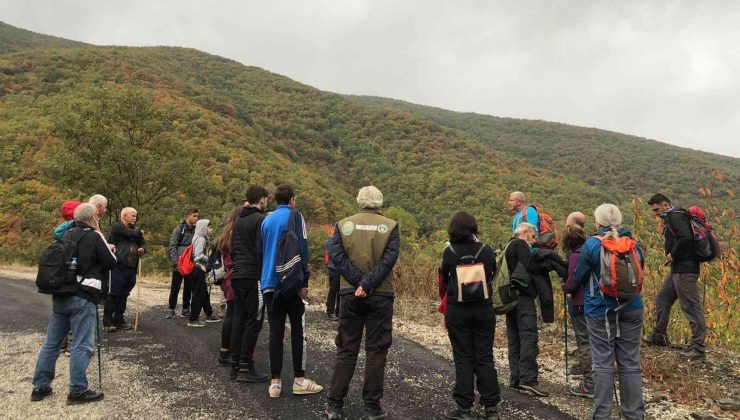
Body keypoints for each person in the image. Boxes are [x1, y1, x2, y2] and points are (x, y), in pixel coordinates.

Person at [325, 186, 400, 420]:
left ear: (359, 201)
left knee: (347, 348)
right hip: (381, 295)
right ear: (379, 202)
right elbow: (389, 260)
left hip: (349, 294)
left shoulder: (342, 225)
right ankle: (372, 408)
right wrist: (367, 284)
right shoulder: (391, 226)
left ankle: (334, 405)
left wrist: (359, 282)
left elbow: (336, 256)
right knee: (376, 350)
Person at [31, 203, 117, 404]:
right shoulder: (94, 236)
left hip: (60, 294)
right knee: (82, 344)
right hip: (83, 295)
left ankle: (40, 387)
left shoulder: (65, 234)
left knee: (52, 343)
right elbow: (111, 262)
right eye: (97, 216)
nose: (98, 219)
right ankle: (77, 391)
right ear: (91, 217)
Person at [574, 204, 645, 420]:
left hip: (600, 310)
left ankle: (602, 414)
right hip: (632, 308)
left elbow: (579, 276)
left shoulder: (592, 245)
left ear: (598, 223)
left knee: (603, 362)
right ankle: (634, 414)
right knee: (630, 362)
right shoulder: (633, 245)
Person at [260, 184, 322, 398]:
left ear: (276, 201)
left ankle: (275, 383)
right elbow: (302, 249)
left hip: (269, 282)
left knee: (275, 333)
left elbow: (262, 250)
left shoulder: (266, 220)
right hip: (292, 283)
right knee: (298, 331)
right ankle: (299, 380)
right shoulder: (296, 217)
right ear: (292, 200)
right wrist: (304, 282)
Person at [440, 212, 501, 420]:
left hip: (458, 310)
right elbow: (492, 274)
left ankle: (464, 408)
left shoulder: (449, 252)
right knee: (484, 356)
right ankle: (491, 408)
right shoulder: (486, 251)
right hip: (483, 309)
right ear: (474, 227)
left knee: (463, 357)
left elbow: (443, 280)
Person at [645, 193, 706, 360]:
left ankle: (698, 347)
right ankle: (659, 336)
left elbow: (685, 236)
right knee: (662, 299)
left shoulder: (675, 216)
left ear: (665, 205)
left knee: (691, 307)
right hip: (677, 270)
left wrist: (673, 253)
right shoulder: (672, 216)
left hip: (685, 269)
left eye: (656, 209)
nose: (655, 213)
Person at [504, 223, 551, 397]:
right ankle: (529, 380)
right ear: (524, 234)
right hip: (523, 298)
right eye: (532, 236)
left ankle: (516, 377)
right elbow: (531, 265)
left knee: (514, 338)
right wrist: (548, 264)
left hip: (510, 298)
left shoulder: (509, 245)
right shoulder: (520, 244)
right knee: (529, 336)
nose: (534, 240)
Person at [230, 186, 270, 383]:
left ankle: (235, 363)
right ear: (262, 199)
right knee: (254, 320)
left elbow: (232, 248)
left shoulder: (238, 220)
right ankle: (246, 367)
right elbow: (261, 250)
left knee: (239, 318)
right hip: (253, 275)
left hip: (237, 275)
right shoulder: (260, 220)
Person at [561, 213, 593, 398]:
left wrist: (564, 287)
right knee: (593, 340)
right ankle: (596, 377)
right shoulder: (590, 249)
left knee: (584, 341)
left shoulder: (575, 256)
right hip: (594, 302)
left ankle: (589, 384)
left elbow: (573, 283)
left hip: (580, 303)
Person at [104, 207, 147, 332]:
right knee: (113, 294)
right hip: (117, 266)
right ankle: (107, 322)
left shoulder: (134, 231)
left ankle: (119, 320)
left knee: (124, 295)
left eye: (135, 216)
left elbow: (143, 243)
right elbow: (132, 234)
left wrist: (143, 249)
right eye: (132, 215)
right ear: (124, 215)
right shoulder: (117, 226)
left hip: (131, 267)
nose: (135, 218)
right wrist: (140, 233)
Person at [214, 206, 240, 366]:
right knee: (234, 316)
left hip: (228, 277)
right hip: (235, 276)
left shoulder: (226, 234)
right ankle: (229, 353)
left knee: (231, 314)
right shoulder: (235, 236)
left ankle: (225, 351)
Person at [187, 219, 220, 327]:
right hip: (198, 269)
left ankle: (209, 314)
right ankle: (193, 319)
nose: (211, 229)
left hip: (197, 269)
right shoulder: (201, 239)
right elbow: (198, 256)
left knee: (203, 293)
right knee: (198, 294)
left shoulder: (198, 237)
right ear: (203, 228)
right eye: (209, 227)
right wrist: (211, 261)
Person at [166, 209, 198, 319]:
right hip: (179, 263)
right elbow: (172, 246)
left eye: (197, 216)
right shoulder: (179, 229)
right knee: (175, 287)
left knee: (188, 286)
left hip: (190, 263)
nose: (196, 218)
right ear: (187, 216)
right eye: (194, 216)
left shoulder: (195, 230)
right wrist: (175, 263)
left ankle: (185, 309)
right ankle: (171, 309)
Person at [325, 230, 340, 321]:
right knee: (333, 290)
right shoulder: (332, 240)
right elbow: (332, 253)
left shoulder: (341, 240)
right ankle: (330, 311)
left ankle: (338, 311)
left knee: (340, 291)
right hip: (334, 269)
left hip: (341, 269)